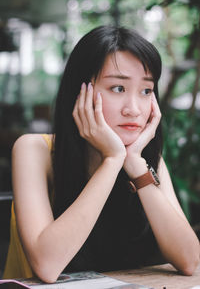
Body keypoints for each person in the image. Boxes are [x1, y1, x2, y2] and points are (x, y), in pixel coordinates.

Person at [3, 25, 199, 283]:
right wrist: (112, 160)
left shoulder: (146, 162)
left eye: (146, 91)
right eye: (118, 88)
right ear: (80, 92)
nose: (134, 109)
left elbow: (190, 261)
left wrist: (135, 165)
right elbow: (47, 265)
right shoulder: (34, 150)